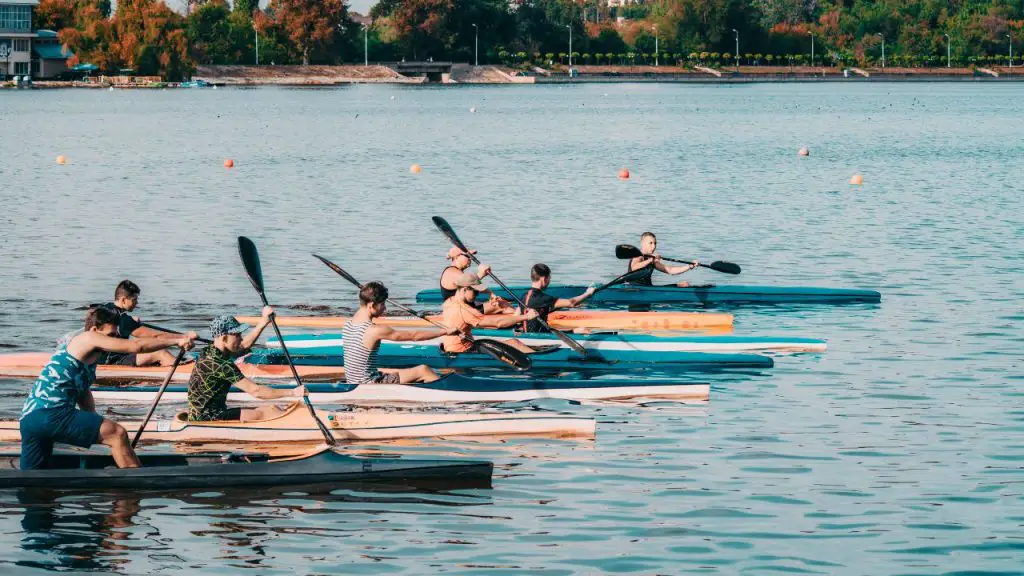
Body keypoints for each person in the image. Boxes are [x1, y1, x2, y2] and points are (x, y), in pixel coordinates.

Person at [19, 307, 195, 470]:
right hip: (52, 414)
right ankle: (137, 486)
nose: (114, 340)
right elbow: (136, 346)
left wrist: (93, 420)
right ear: (95, 330)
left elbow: (83, 392)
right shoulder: (87, 337)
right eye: (110, 335)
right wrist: (178, 340)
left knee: (32, 477)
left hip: (30, 419)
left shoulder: (86, 357)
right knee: (117, 434)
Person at [187, 308, 305, 423]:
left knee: (271, 408)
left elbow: (243, 346)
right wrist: (293, 393)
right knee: (262, 413)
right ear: (224, 338)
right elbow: (256, 391)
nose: (241, 338)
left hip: (203, 413)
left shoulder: (209, 351)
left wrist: (263, 321)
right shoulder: (221, 364)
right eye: (237, 335)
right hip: (209, 418)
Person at [344, 282, 454, 385]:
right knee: (423, 370)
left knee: (405, 372)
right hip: (370, 384)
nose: (385, 308)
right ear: (371, 305)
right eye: (382, 304)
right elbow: (414, 336)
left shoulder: (348, 324)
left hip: (354, 381)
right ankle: (450, 395)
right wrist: (443, 332)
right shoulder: (375, 330)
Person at [441, 272, 538, 354]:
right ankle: (541, 359)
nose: (477, 295)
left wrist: (489, 293)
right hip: (463, 351)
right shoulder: (465, 310)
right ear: (465, 289)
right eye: (476, 292)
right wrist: (525, 317)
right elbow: (498, 323)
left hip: (453, 347)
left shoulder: (449, 302)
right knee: (514, 343)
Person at [96, 280, 182, 367]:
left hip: (101, 357)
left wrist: (131, 321)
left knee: (148, 348)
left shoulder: (105, 309)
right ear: (123, 300)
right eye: (134, 299)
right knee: (160, 353)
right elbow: (156, 336)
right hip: (112, 361)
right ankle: (185, 372)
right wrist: (183, 337)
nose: (137, 303)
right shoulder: (123, 319)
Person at [520, 264, 595, 333]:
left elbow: (519, 314)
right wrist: (588, 293)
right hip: (540, 337)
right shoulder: (542, 298)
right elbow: (571, 303)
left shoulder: (523, 296)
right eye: (549, 278)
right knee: (581, 330)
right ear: (544, 279)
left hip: (528, 333)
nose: (549, 281)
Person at [439, 246, 511, 314]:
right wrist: (480, 274)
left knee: (498, 302)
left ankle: (515, 317)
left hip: (464, 308)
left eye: (471, 256)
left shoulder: (459, 272)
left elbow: (473, 284)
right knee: (502, 305)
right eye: (468, 256)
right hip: (460, 312)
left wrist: (491, 294)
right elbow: (468, 280)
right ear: (457, 257)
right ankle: (519, 318)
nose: (470, 259)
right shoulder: (451, 272)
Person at [627, 232, 700, 287]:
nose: (654, 246)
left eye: (655, 243)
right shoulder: (638, 256)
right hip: (636, 289)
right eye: (650, 243)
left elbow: (670, 270)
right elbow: (634, 267)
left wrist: (689, 266)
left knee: (685, 284)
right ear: (642, 243)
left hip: (648, 289)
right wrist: (650, 260)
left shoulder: (652, 259)